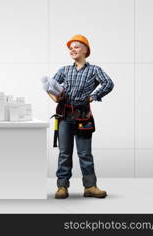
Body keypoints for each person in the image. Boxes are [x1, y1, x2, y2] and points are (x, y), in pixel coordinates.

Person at [49, 34, 114, 199]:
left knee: (85, 153)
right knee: (64, 153)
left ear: (86, 50)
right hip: (64, 115)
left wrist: (93, 96)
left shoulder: (94, 70)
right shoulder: (64, 70)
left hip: (83, 115)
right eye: (71, 48)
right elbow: (50, 86)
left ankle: (90, 186)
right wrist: (55, 97)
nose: (73, 50)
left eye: (76, 47)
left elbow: (108, 83)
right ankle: (62, 187)